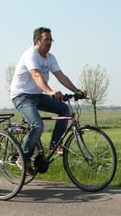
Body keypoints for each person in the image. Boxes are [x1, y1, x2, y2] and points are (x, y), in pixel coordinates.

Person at [9, 27, 86, 168]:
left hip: (37, 95)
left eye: (51, 40)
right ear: (37, 41)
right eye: (46, 40)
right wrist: (51, 91)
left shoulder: (50, 58)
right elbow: (36, 75)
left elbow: (61, 76)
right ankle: (22, 158)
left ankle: (55, 144)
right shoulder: (30, 55)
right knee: (37, 125)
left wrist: (77, 90)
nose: (49, 43)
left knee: (64, 109)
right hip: (22, 96)